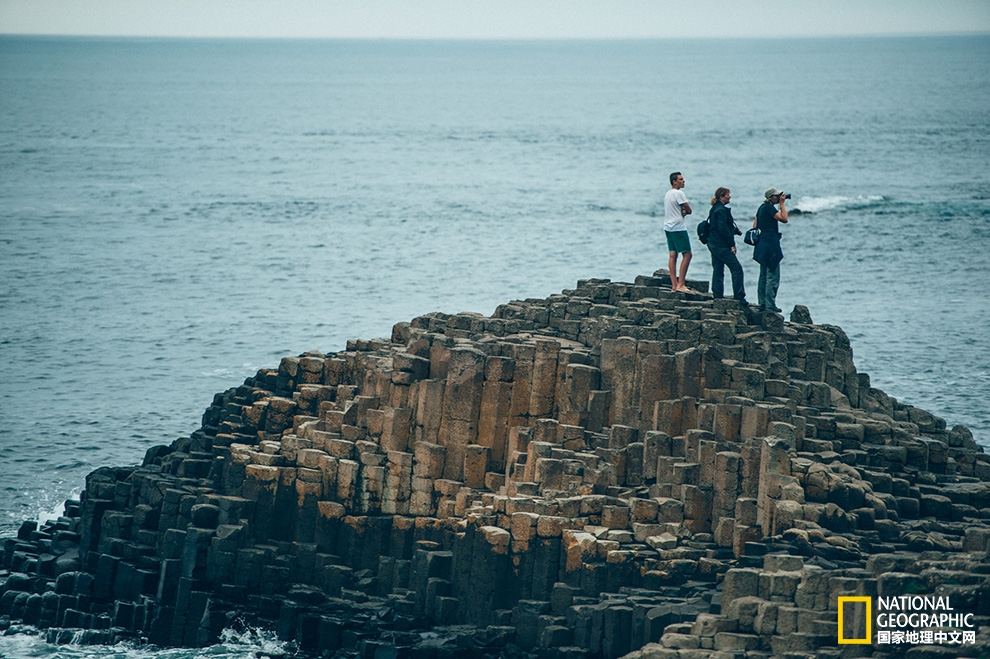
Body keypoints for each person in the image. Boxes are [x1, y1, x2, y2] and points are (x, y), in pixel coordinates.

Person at [706, 187, 747, 306]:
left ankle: (717, 295)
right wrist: (732, 244)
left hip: (712, 243)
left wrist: (733, 230)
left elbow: (717, 227)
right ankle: (739, 297)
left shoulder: (714, 208)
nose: (730, 196)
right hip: (721, 245)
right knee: (737, 269)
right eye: (728, 195)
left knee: (718, 269)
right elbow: (722, 229)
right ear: (721, 197)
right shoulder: (721, 210)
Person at [753, 187, 789, 313]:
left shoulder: (761, 208)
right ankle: (770, 304)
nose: (779, 197)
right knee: (772, 276)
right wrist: (782, 205)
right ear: (770, 197)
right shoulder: (769, 208)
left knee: (763, 275)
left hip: (762, 244)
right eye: (777, 195)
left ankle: (762, 302)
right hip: (770, 245)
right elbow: (784, 219)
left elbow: (755, 225)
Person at [663, 172, 693, 292]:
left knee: (672, 255)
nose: (683, 181)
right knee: (687, 254)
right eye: (681, 179)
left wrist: (683, 211)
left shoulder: (668, 194)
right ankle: (681, 284)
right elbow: (689, 209)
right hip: (678, 227)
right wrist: (685, 211)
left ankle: (674, 285)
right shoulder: (679, 193)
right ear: (674, 182)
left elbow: (676, 209)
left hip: (668, 226)